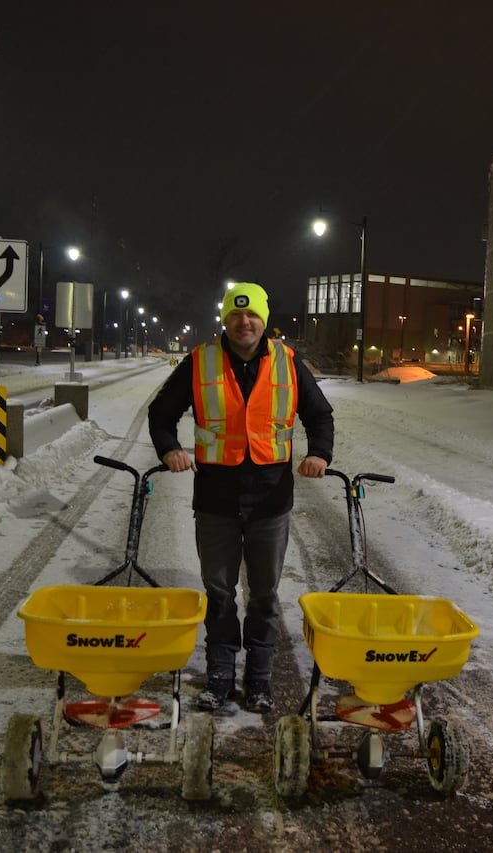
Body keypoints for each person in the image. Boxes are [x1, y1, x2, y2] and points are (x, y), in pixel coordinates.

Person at [148, 282, 334, 713]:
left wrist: (320, 453)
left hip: (271, 498)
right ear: (225, 320)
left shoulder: (288, 362)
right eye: (235, 314)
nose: (244, 322)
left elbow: (318, 413)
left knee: (265, 593)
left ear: (264, 319)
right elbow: (162, 413)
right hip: (216, 497)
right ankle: (220, 675)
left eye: (251, 315)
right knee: (220, 591)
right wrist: (170, 449)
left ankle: (259, 679)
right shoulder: (200, 361)